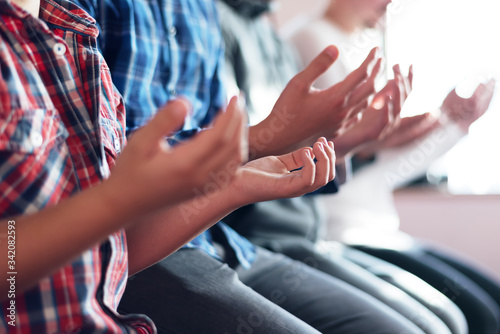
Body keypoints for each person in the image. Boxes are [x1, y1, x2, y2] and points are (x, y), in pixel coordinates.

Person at [72, 0, 435, 333]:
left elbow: (234, 143)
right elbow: (100, 166)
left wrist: (342, 143)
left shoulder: (205, 11)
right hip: (144, 246)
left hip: (221, 234)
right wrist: (273, 138)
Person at [0, 0, 341, 332]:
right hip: (178, 260)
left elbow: (111, 248)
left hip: (210, 239)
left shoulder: (75, 33)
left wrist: (234, 185)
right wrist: (116, 202)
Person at [217, 1, 469, 333]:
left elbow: (301, 149)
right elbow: (240, 154)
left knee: (451, 318)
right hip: (267, 235)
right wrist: (358, 141)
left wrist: (371, 141)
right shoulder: (290, 35)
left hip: (307, 232)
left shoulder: (270, 33)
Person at [292, 0, 500, 333]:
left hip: (380, 228)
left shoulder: (366, 45)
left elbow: (380, 164)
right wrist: (433, 125)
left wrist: (451, 126)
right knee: (476, 317)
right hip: (341, 230)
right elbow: (349, 153)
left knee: (489, 305)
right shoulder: (313, 40)